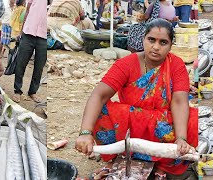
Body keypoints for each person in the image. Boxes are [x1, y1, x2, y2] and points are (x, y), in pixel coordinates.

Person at [75, 19, 198, 179]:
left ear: (170, 45)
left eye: (163, 42)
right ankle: (113, 160)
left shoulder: (176, 65)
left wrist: (181, 138)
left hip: (163, 124)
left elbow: (179, 101)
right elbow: (99, 94)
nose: (156, 47)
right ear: (143, 39)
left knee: (195, 118)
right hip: (130, 124)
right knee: (102, 110)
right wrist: (85, 132)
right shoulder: (126, 63)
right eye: (151, 40)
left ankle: (163, 165)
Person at [12, 0, 46, 103]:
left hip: (44, 36)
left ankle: (32, 92)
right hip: (28, 32)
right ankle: (17, 91)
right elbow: (27, 10)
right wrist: (22, 31)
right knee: (21, 63)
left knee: (39, 66)